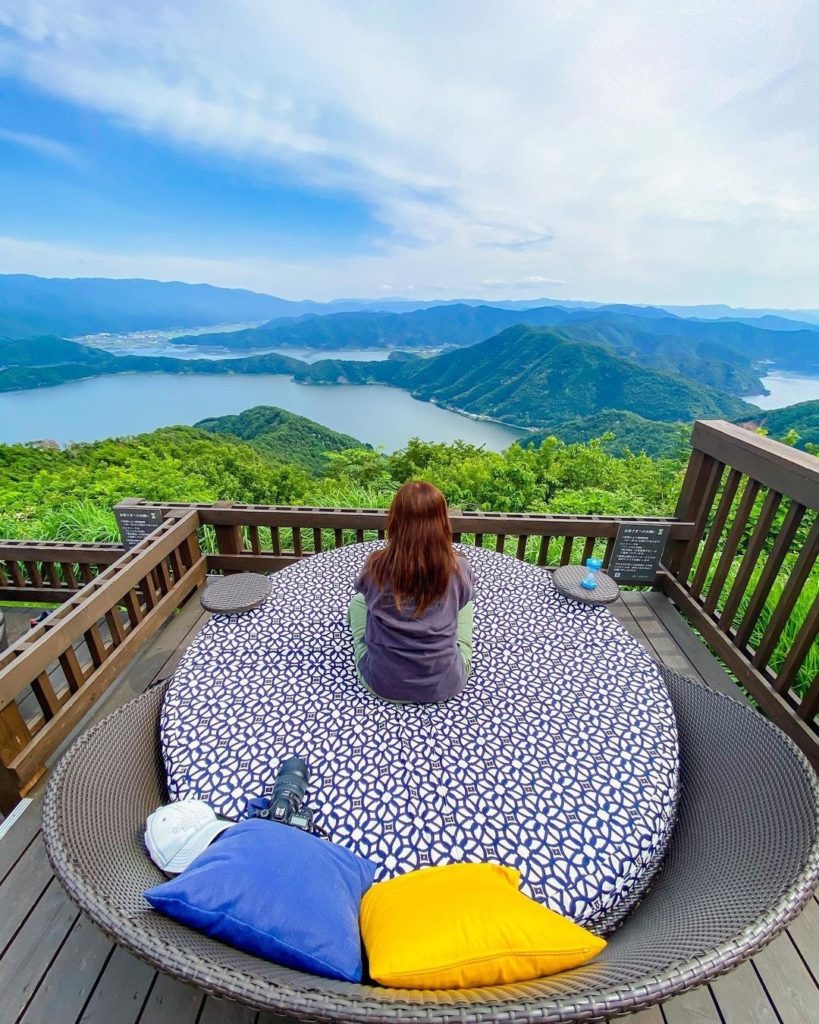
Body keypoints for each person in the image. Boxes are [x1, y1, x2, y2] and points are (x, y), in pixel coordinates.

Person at [347, 481, 475, 704]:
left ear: (396, 521)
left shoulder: (376, 566)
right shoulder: (458, 568)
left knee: (358, 603)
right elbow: (461, 599)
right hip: (445, 683)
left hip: (383, 683)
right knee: (465, 605)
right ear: (442, 522)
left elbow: (366, 593)